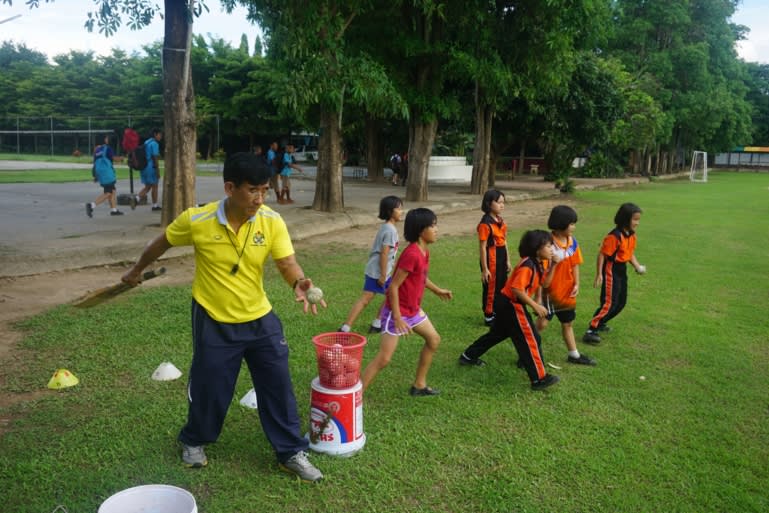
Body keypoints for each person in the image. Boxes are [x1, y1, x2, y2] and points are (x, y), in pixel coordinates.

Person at [120, 152, 325, 482]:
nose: (260, 198)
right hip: (213, 318)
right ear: (230, 188)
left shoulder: (271, 221)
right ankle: (194, 440)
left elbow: (287, 263)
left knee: (278, 383)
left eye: (265, 190)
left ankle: (290, 452)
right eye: (252, 190)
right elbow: (162, 242)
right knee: (211, 386)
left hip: (259, 318)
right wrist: (135, 270)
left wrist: (298, 282)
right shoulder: (198, 220)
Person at [361, 208, 452, 396]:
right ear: (420, 230)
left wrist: (437, 290)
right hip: (396, 314)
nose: (436, 229)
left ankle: (419, 385)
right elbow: (393, 287)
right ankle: (354, 398)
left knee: (433, 340)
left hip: (413, 311)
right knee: (384, 359)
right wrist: (397, 317)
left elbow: (420, 276)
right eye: (433, 226)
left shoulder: (424, 252)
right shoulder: (412, 254)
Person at [459, 230, 560, 391]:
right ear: (537, 249)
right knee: (530, 338)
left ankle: (468, 356)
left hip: (506, 303)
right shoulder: (528, 265)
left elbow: (545, 283)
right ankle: (539, 379)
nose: (551, 250)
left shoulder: (538, 263)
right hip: (512, 304)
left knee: (497, 334)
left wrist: (554, 264)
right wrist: (535, 305)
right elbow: (516, 289)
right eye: (548, 246)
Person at [535, 205, 596, 365]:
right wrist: (538, 297)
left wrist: (577, 284)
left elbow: (575, 264)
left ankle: (574, 355)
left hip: (567, 292)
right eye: (572, 224)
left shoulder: (572, 243)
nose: (574, 227)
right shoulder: (547, 245)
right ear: (561, 223)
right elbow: (541, 275)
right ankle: (527, 351)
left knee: (568, 323)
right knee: (542, 323)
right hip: (550, 292)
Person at [339, 195, 403, 334]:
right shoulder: (390, 230)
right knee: (366, 299)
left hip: (384, 271)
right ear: (389, 211)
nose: (401, 211)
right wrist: (383, 275)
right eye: (398, 209)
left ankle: (377, 323)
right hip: (378, 272)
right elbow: (384, 254)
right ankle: (345, 328)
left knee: (392, 295)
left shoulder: (387, 227)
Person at [582, 202, 645, 344]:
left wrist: (637, 266)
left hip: (622, 270)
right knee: (610, 302)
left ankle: (601, 322)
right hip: (611, 269)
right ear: (625, 219)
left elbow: (629, 253)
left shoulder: (631, 235)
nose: (637, 223)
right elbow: (602, 255)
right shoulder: (614, 236)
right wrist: (599, 274)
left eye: (638, 220)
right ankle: (591, 330)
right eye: (635, 219)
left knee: (621, 302)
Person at [478, 189, 511, 326]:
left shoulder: (500, 221)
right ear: (489, 203)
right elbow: (482, 247)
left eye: (503, 202)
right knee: (491, 287)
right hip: (491, 258)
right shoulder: (485, 224)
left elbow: (504, 241)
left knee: (502, 285)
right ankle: (489, 314)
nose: (502, 205)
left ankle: (498, 310)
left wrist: (508, 260)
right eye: (498, 202)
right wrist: (485, 269)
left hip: (501, 256)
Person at [85, 135, 124, 217]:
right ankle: (92, 205)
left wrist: (95, 176)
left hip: (100, 172)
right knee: (108, 192)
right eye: (106, 138)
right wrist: (121, 158)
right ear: (104, 140)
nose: (107, 139)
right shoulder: (107, 148)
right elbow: (114, 158)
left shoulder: (97, 150)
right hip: (107, 173)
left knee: (112, 190)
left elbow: (95, 163)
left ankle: (114, 210)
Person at [134, 128, 162, 211]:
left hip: (144, 167)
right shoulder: (154, 144)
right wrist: (157, 170)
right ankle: (155, 205)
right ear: (155, 134)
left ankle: (137, 198)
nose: (161, 136)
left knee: (148, 186)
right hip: (151, 167)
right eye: (159, 134)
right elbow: (155, 157)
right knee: (155, 186)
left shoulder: (147, 142)